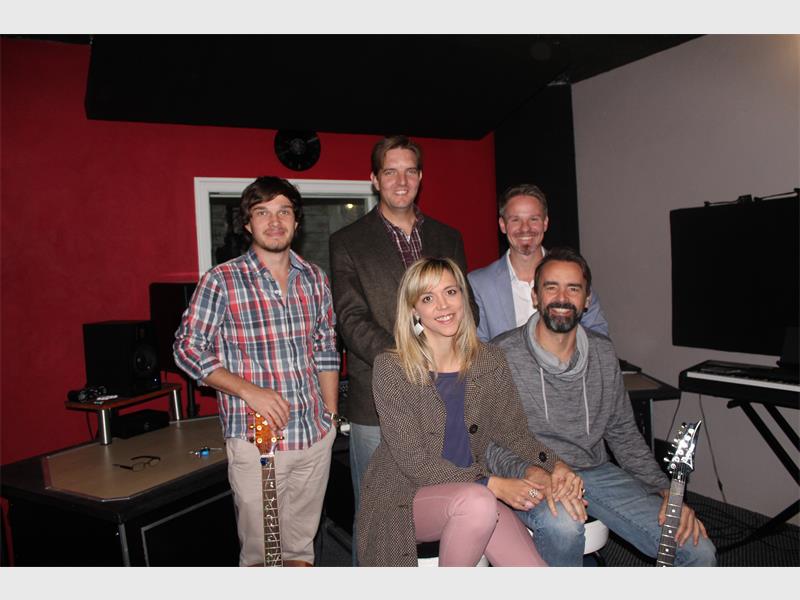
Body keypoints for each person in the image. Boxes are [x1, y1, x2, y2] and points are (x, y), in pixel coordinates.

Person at [486, 247, 717, 566]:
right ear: (536, 296)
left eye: (573, 288)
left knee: (698, 550)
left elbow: (623, 433)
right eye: (551, 287)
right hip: (532, 471)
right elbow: (488, 442)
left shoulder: (603, 353)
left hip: (594, 471)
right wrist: (534, 472)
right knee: (563, 526)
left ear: (587, 299)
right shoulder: (501, 355)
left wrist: (666, 491)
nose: (562, 298)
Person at [356, 257, 586, 566]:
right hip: (404, 497)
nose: (443, 305)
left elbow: (515, 434)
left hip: (476, 493)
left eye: (450, 292)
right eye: (428, 298)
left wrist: (557, 465)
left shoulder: (490, 360)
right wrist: (494, 484)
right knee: (478, 502)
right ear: (414, 310)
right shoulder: (392, 368)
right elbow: (416, 463)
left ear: (463, 297)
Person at [174, 176, 339, 567]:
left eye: (284, 211)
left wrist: (331, 417)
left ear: (296, 221)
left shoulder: (315, 278)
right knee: (263, 558)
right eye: (262, 212)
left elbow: (326, 348)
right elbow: (186, 348)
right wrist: (250, 391)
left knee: (301, 553)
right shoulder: (221, 281)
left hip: (313, 437)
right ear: (247, 223)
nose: (274, 221)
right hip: (257, 442)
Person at [329, 135, 477, 552]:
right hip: (377, 404)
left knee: (447, 509)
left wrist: (447, 363)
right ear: (375, 179)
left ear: (420, 177)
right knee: (376, 518)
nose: (401, 180)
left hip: (446, 397)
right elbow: (351, 321)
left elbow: (467, 309)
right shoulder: (347, 242)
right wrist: (411, 363)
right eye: (390, 172)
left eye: (410, 171)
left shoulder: (448, 237)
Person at [468, 184, 609, 342]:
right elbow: (477, 347)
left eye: (533, 219)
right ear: (503, 225)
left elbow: (599, 338)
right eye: (515, 220)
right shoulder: (478, 284)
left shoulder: (573, 273)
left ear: (545, 223)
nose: (525, 228)